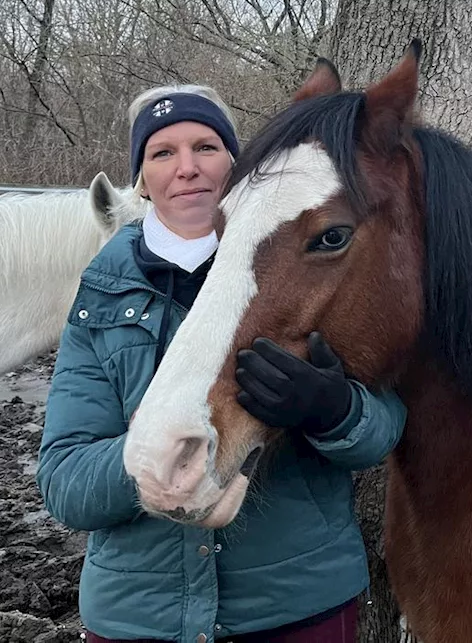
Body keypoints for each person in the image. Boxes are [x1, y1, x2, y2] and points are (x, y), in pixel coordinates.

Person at [36, 84, 406, 643]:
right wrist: (154, 455)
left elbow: (383, 430)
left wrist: (332, 409)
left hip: (295, 607)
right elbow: (65, 481)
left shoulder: (304, 263)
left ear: (237, 163)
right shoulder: (101, 297)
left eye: (206, 147)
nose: (186, 168)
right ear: (141, 177)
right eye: (162, 153)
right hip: (140, 619)